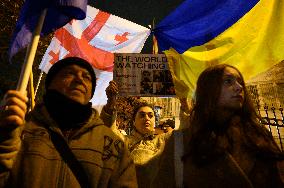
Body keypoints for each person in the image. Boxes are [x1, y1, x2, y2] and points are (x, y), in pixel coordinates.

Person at [0, 57, 137, 187]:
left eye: (87, 77)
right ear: (50, 83)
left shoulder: (113, 144)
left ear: (90, 93)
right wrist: (5, 139)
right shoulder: (18, 130)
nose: (79, 80)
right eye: (69, 73)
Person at [151, 64, 284, 187]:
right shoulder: (180, 143)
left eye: (240, 81)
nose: (239, 87)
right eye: (228, 81)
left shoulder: (260, 136)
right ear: (209, 90)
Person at [100, 81, 171, 188]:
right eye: (142, 115)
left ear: (155, 122)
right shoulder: (124, 140)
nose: (147, 118)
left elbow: (185, 135)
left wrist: (185, 105)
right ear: (133, 122)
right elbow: (108, 129)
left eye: (150, 116)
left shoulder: (163, 140)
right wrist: (111, 102)